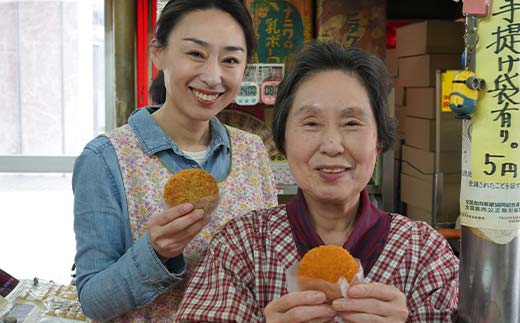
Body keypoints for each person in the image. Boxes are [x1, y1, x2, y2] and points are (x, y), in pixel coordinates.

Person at [176, 41, 459, 322]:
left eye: (351, 123)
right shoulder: (242, 246)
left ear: (379, 141)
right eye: (311, 123)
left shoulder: (422, 251)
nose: (332, 145)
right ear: (284, 139)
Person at [72, 0, 277, 321]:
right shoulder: (106, 159)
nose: (213, 76)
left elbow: (268, 269)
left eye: (231, 60)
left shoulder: (252, 151)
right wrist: (155, 253)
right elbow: (94, 302)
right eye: (196, 53)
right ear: (158, 52)